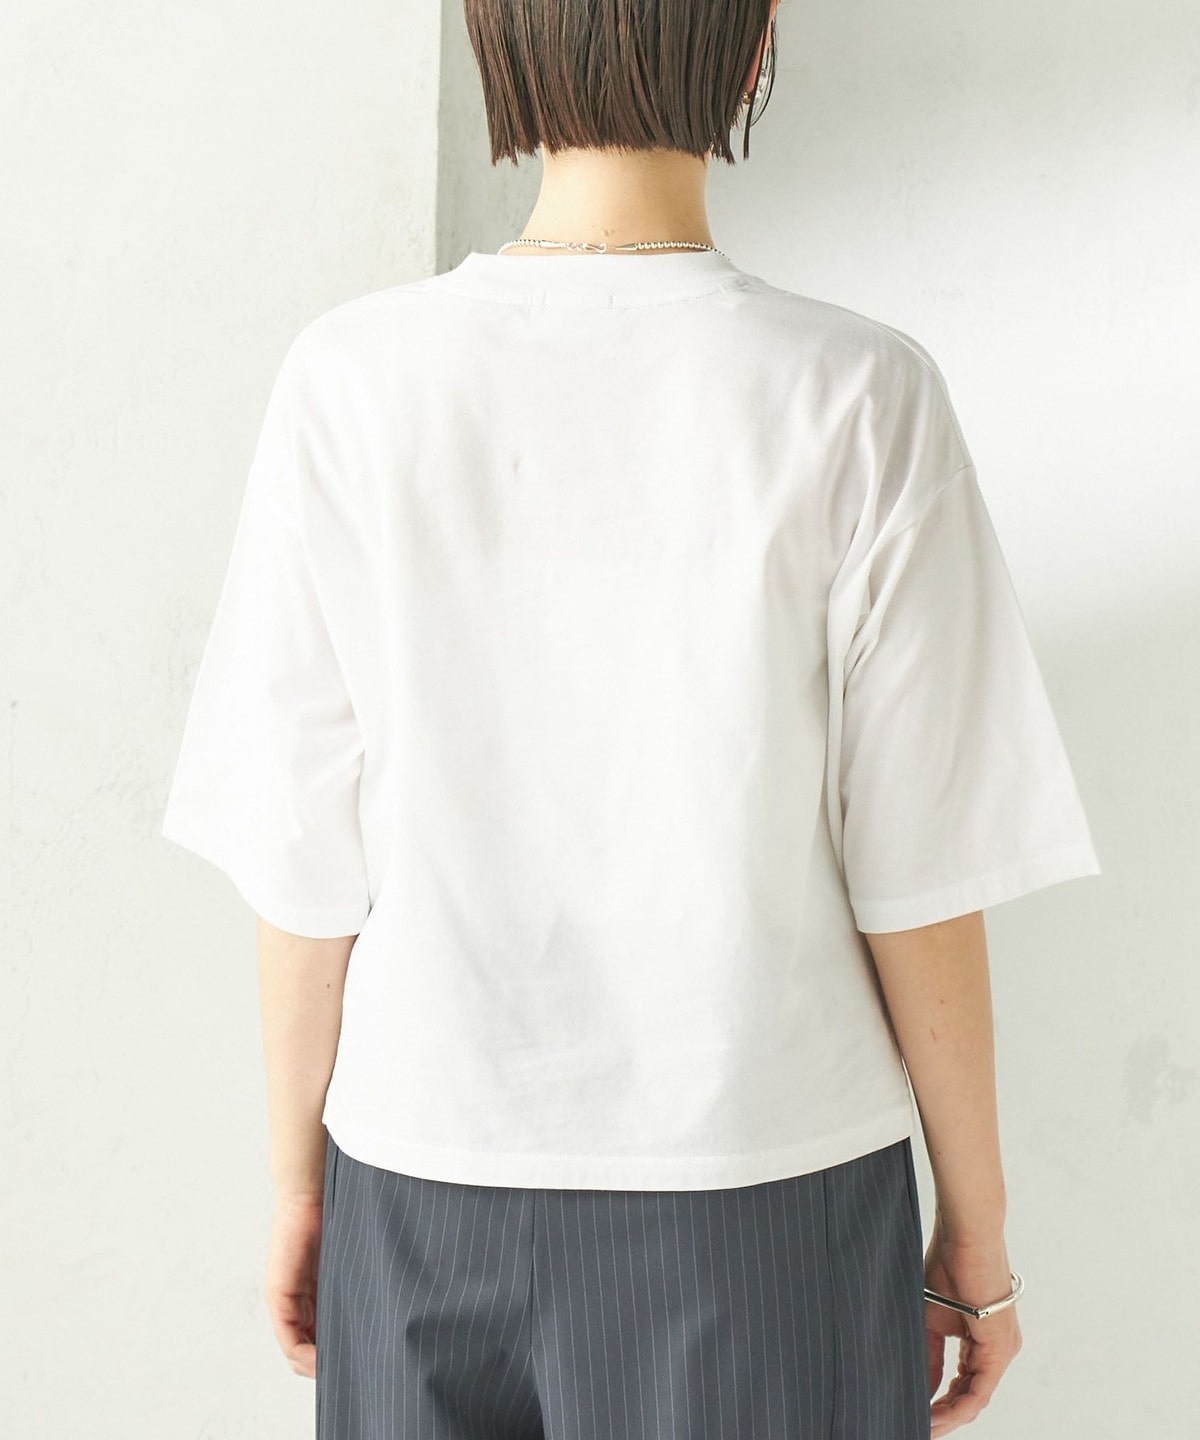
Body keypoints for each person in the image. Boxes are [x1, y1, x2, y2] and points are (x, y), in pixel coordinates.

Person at [161, 1, 1102, 1437]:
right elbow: (918, 873)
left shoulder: (348, 381)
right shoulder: (858, 393)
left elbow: (302, 860)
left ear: (496, 41)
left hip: (424, 1171)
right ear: (754, 44)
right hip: (766, 1184)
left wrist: (300, 1185)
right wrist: (978, 1233)